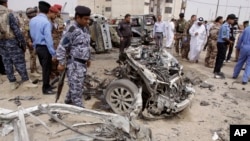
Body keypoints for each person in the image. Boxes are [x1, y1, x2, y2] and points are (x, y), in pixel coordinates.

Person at [57, 5, 91, 107]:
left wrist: (88, 58)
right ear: (78, 17)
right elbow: (62, 47)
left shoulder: (85, 29)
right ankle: (78, 106)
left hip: (82, 63)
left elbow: (86, 45)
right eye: (85, 19)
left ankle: (68, 100)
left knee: (77, 83)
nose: (87, 21)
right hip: (74, 63)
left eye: (88, 19)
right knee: (76, 85)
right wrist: (61, 63)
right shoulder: (71, 29)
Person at [0, 0, 37, 90]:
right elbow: (16, 29)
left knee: (7, 62)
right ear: (5, 3)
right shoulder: (8, 13)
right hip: (11, 41)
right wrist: (23, 43)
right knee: (19, 61)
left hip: (1, 42)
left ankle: (12, 82)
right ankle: (25, 81)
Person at [29, 1, 57, 94]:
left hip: (37, 47)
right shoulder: (46, 22)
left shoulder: (32, 20)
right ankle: (45, 88)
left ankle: (48, 85)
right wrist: (53, 53)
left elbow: (31, 34)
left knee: (44, 67)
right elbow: (48, 39)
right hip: (45, 47)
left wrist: (34, 45)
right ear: (48, 10)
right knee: (46, 69)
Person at [214, 14, 237, 79]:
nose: (233, 21)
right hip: (222, 43)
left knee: (220, 57)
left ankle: (216, 70)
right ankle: (217, 71)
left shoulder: (228, 26)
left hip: (222, 43)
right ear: (229, 19)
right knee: (221, 57)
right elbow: (224, 37)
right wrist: (230, 41)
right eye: (233, 20)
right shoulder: (224, 26)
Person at [24, 7, 40, 77]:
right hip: (30, 41)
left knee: (34, 55)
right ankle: (32, 71)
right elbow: (26, 32)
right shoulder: (27, 21)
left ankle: (35, 69)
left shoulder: (32, 20)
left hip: (34, 40)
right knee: (32, 56)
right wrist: (29, 41)